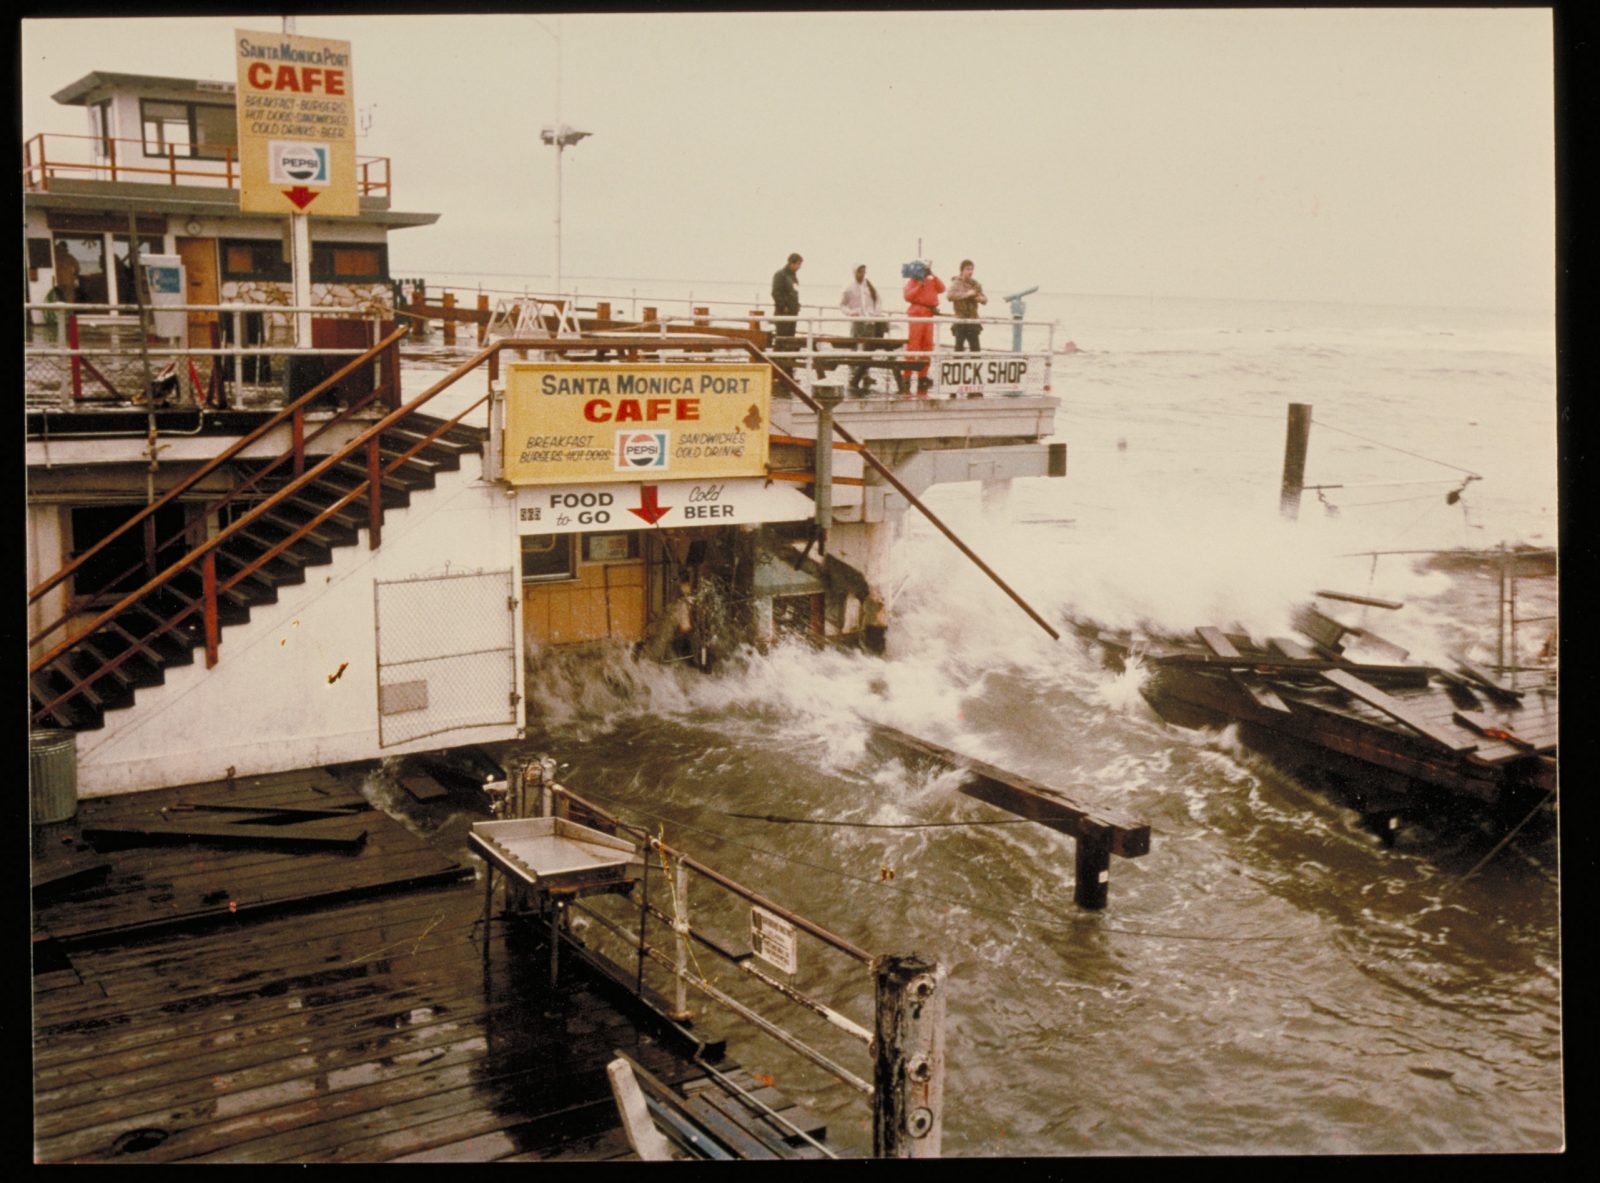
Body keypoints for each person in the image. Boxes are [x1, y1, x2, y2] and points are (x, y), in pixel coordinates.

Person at [839, 264, 885, 395]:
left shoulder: (869, 286)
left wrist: (876, 313)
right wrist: (850, 312)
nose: (862, 275)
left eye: (864, 272)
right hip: (857, 321)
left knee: (868, 348)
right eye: (859, 272)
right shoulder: (848, 288)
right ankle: (853, 373)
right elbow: (842, 305)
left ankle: (865, 374)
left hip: (869, 321)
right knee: (854, 347)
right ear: (854, 272)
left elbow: (878, 300)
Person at [901, 259, 945, 395]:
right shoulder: (912, 281)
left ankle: (922, 377)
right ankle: (906, 377)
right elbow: (907, 297)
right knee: (914, 346)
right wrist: (919, 285)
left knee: (927, 346)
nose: (924, 272)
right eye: (923, 269)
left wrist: (933, 274)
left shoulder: (932, 280)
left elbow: (942, 288)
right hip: (916, 313)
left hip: (928, 314)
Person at [770, 252, 803, 372]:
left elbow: (794, 292)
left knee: (790, 340)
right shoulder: (780, 275)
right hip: (783, 314)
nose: (799, 267)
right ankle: (775, 368)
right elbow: (775, 292)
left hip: (793, 314)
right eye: (798, 264)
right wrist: (783, 306)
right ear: (792, 263)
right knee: (781, 340)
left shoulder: (793, 276)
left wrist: (797, 305)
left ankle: (787, 367)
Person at [947, 259, 988, 353]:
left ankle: (975, 367)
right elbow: (950, 296)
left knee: (976, 350)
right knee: (959, 349)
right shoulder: (956, 283)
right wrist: (967, 294)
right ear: (962, 270)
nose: (970, 272)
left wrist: (981, 299)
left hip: (973, 320)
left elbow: (985, 299)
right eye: (968, 269)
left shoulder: (975, 283)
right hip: (960, 320)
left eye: (972, 269)